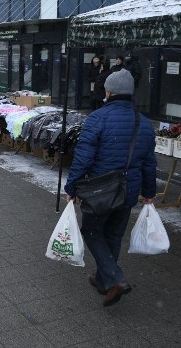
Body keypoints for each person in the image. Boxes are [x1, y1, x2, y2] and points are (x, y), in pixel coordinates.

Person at [64, 69, 156, 307]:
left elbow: (83, 158)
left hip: (100, 191)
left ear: (109, 91)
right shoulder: (143, 122)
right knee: (114, 235)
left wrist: (71, 187)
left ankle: (115, 279)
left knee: (93, 232)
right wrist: (149, 193)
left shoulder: (98, 118)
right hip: (128, 192)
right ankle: (104, 280)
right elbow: (148, 162)